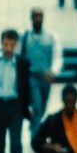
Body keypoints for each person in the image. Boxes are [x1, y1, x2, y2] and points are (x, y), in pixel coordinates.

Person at [20, 7, 64, 136]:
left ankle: (35, 125)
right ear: (31, 18)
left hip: (45, 78)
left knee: (43, 106)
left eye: (40, 16)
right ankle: (36, 135)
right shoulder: (25, 36)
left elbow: (57, 55)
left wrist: (53, 71)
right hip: (32, 76)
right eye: (36, 16)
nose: (38, 19)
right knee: (37, 106)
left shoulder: (51, 36)